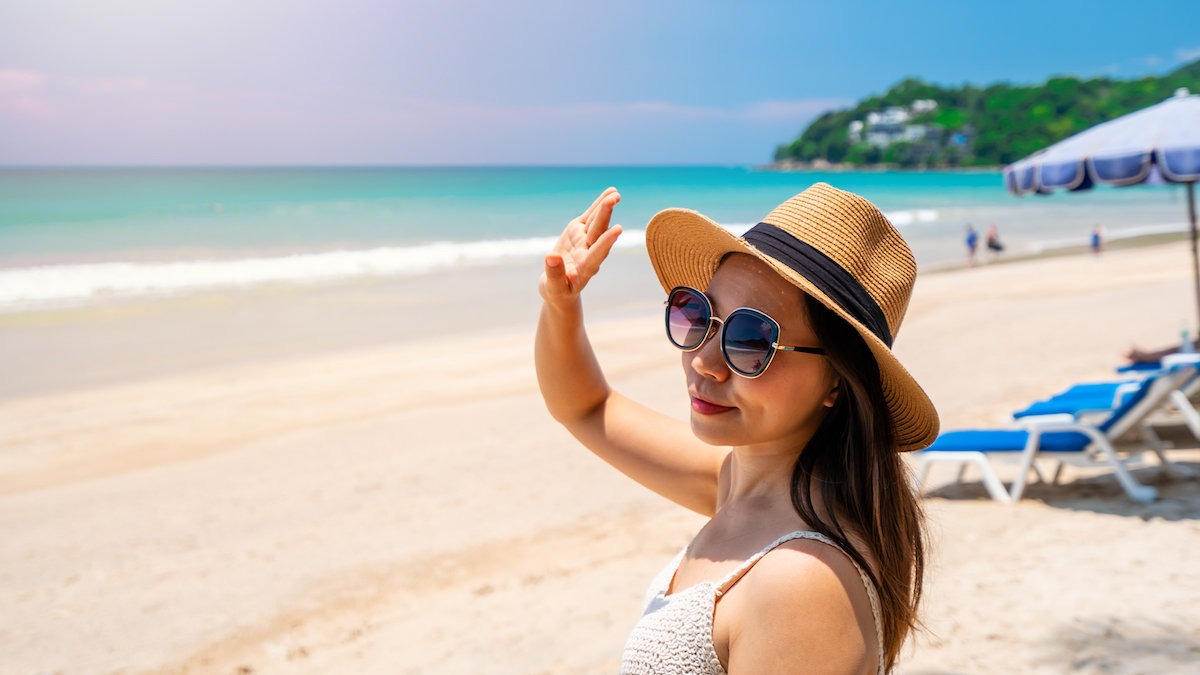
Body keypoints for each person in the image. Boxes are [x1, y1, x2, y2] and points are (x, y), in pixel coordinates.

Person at [536, 183, 940, 674]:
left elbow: (586, 411)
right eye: (698, 315)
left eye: (751, 340)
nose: (704, 361)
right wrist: (560, 303)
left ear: (836, 379)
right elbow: (587, 408)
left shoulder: (801, 580)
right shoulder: (741, 487)